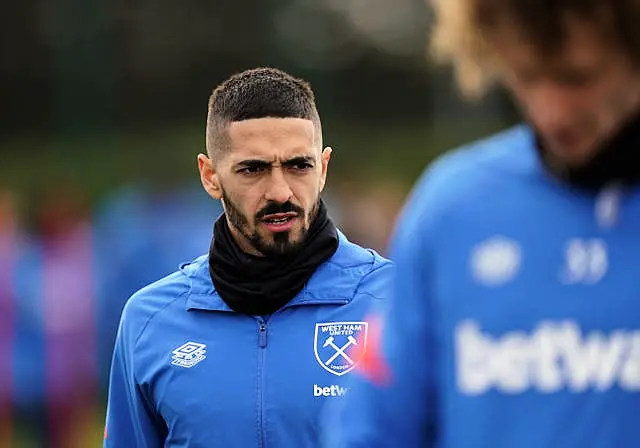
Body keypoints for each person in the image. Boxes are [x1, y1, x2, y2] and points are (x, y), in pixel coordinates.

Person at [323, 0, 640, 447]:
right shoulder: (453, 207)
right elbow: (370, 430)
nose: (550, 112)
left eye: (577, 77)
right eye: (527, 76)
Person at [102, 67, 392, 447]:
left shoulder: (393, 301)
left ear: (322, 169)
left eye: (298, 165)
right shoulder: (149, 320)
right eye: (253, 169)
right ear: (210, 176)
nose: (279, 191)